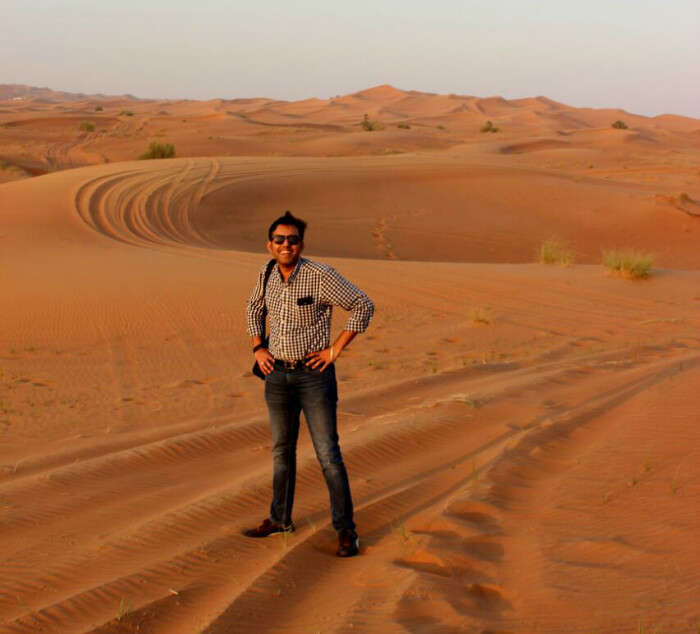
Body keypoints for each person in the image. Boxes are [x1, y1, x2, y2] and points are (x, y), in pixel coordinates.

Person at [244, 210, 374, 557]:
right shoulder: (267, 272)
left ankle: (346, 531)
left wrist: (335, 349)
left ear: (302, 243)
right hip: (276, 376)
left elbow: (363, 305)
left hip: (313, 377)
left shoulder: (320, 276)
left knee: (328, 455)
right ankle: (280, 519)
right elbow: (253, 308)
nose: (286, 245)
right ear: (269, 244)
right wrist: (258, 347)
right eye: (280, 239)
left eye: (293, 239)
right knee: (281, 452)